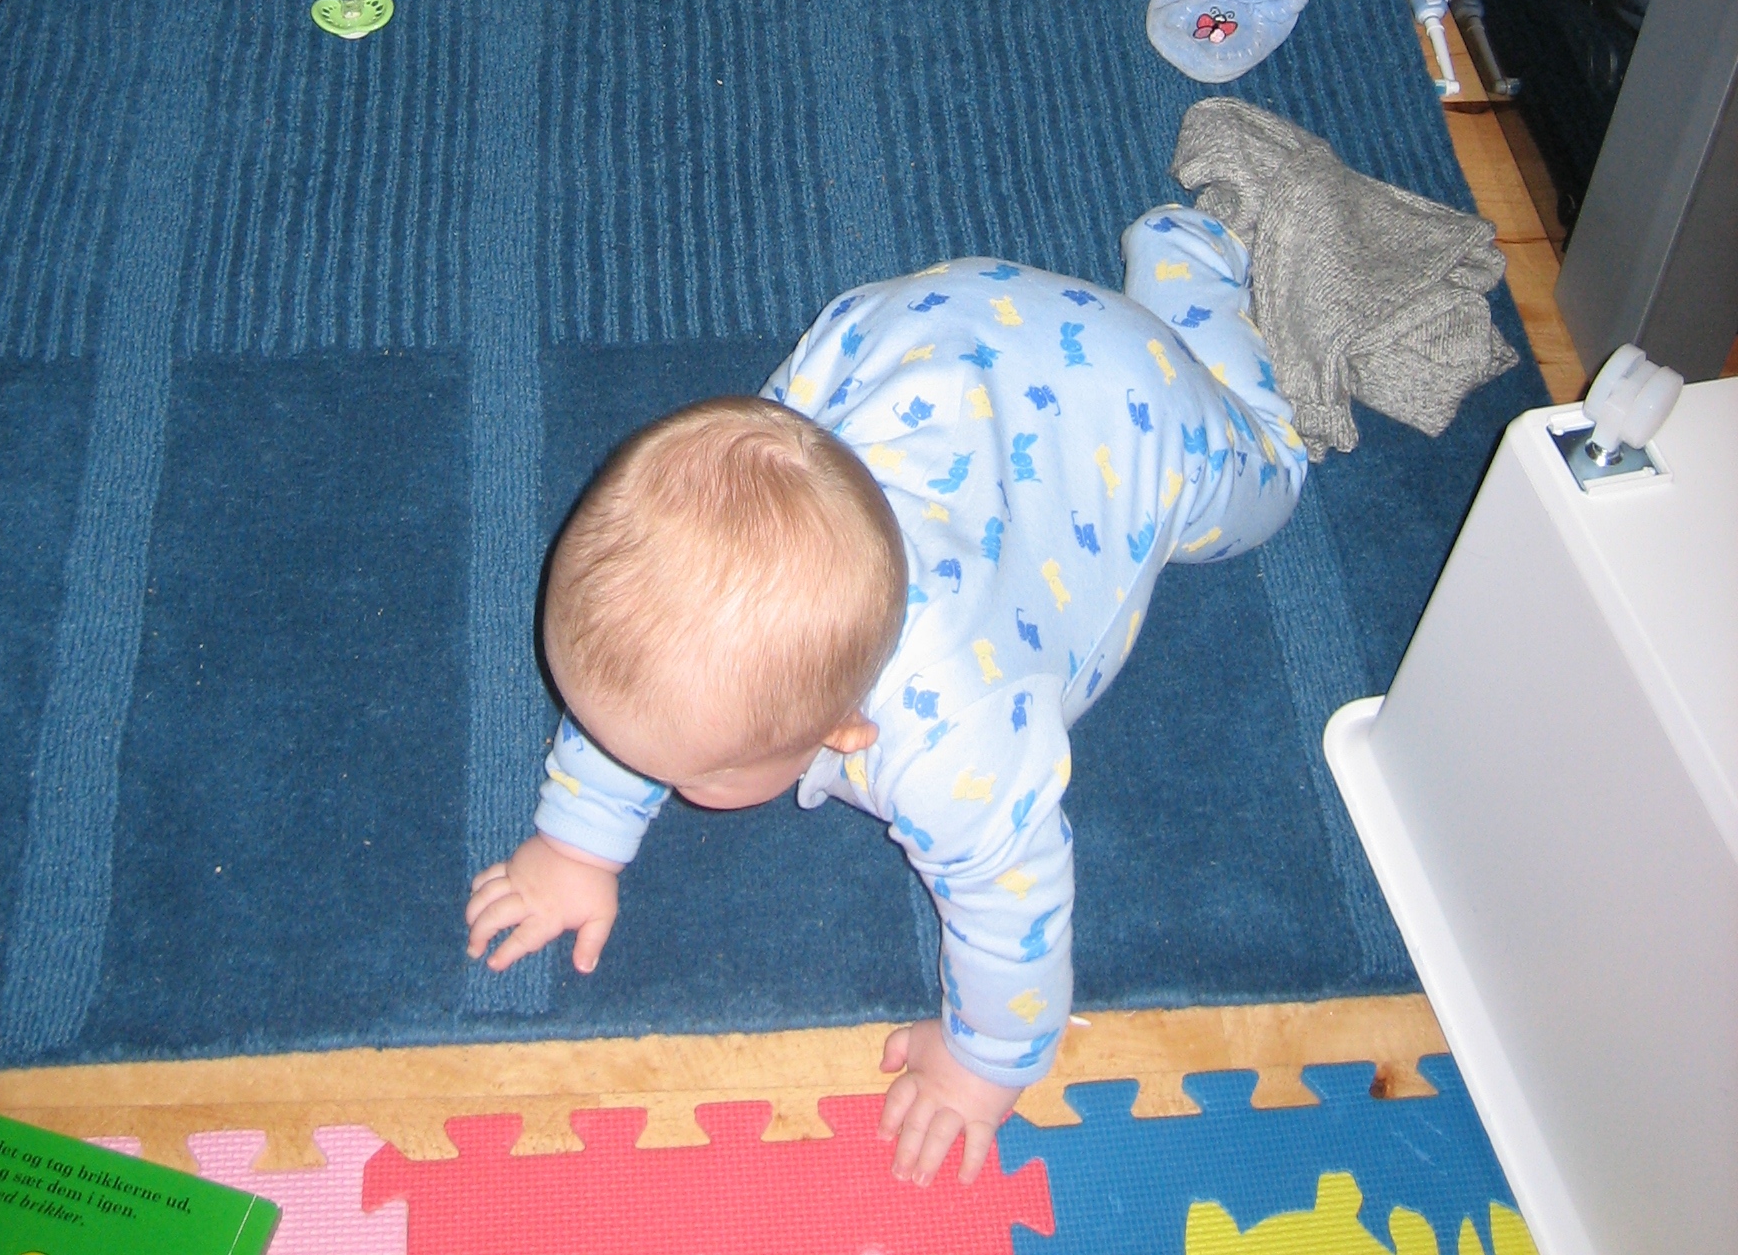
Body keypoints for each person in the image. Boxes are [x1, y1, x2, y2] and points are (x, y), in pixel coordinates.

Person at [466, 211, 1308, 1188]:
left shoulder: (958, 744)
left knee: (1273, 484)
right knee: (763, 467)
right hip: (910, 333)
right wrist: (576, 841)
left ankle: (1186, 269)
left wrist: (984, 1064)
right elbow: (639, 689)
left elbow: (1015, 913)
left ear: (846, 734)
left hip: (1132, 399)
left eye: (675, 772)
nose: (615, 761)